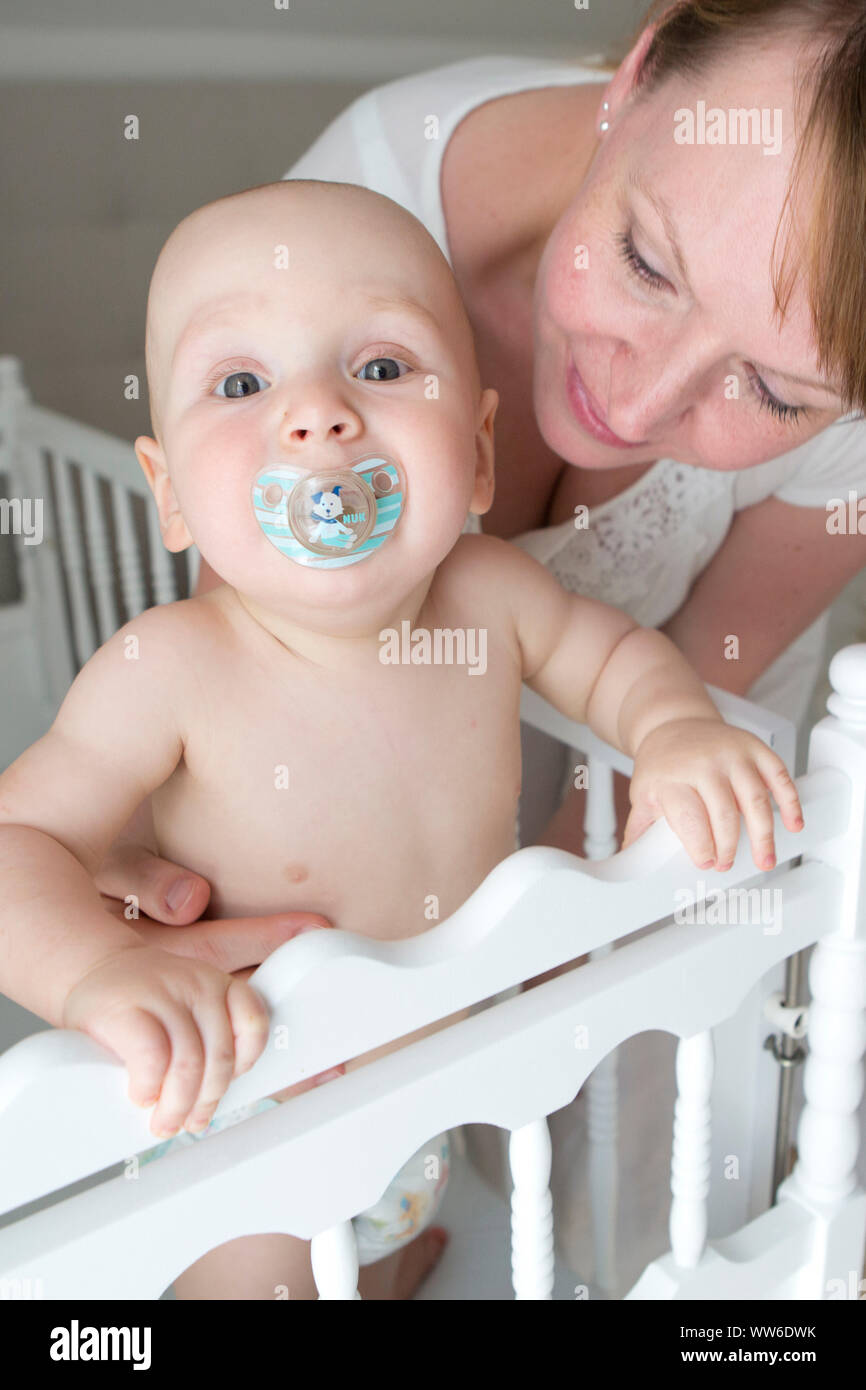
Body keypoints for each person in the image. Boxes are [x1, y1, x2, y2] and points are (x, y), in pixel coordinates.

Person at [0, 179, 802, 1299]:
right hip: (249, 1114)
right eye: (241, 381)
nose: (318, 412)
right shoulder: (169, 667)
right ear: (168, 493)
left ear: (475, 454)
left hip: (428, 1081)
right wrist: (96, 972)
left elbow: (612, 659)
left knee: (368, 1263)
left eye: (379, 367)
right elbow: (18, 839)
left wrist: (670, 729)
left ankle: (384, 1267)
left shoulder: (490, 593)